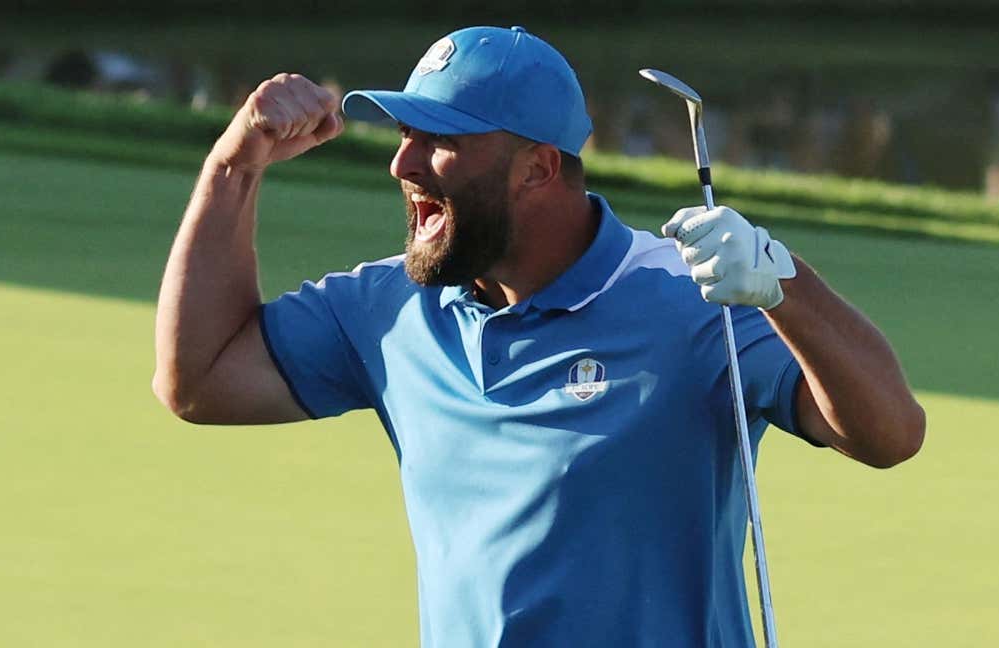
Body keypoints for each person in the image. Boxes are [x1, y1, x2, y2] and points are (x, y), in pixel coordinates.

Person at [153, 25, 925, 647]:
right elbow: (199, 381)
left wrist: (783, 281)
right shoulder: (388, 307)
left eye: (439, 139)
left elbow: (890, 432)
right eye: (405, 132)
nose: (403, 162)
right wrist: (236, 163)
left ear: (537, 169)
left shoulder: (691, 297)